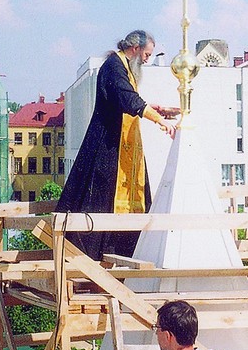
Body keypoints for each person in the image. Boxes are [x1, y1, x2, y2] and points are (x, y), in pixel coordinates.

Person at [56, 30, 176, 261]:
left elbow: (127, 99)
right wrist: (158, 120)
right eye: (146, 55)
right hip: (108, 146)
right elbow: (126, 98)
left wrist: (153, 108)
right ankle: (97, 258)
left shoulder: (123, 66)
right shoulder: (114, 65)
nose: (147, 60)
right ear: (135, 49)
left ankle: (125, 253)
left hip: (122, 145)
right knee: (102, 201)